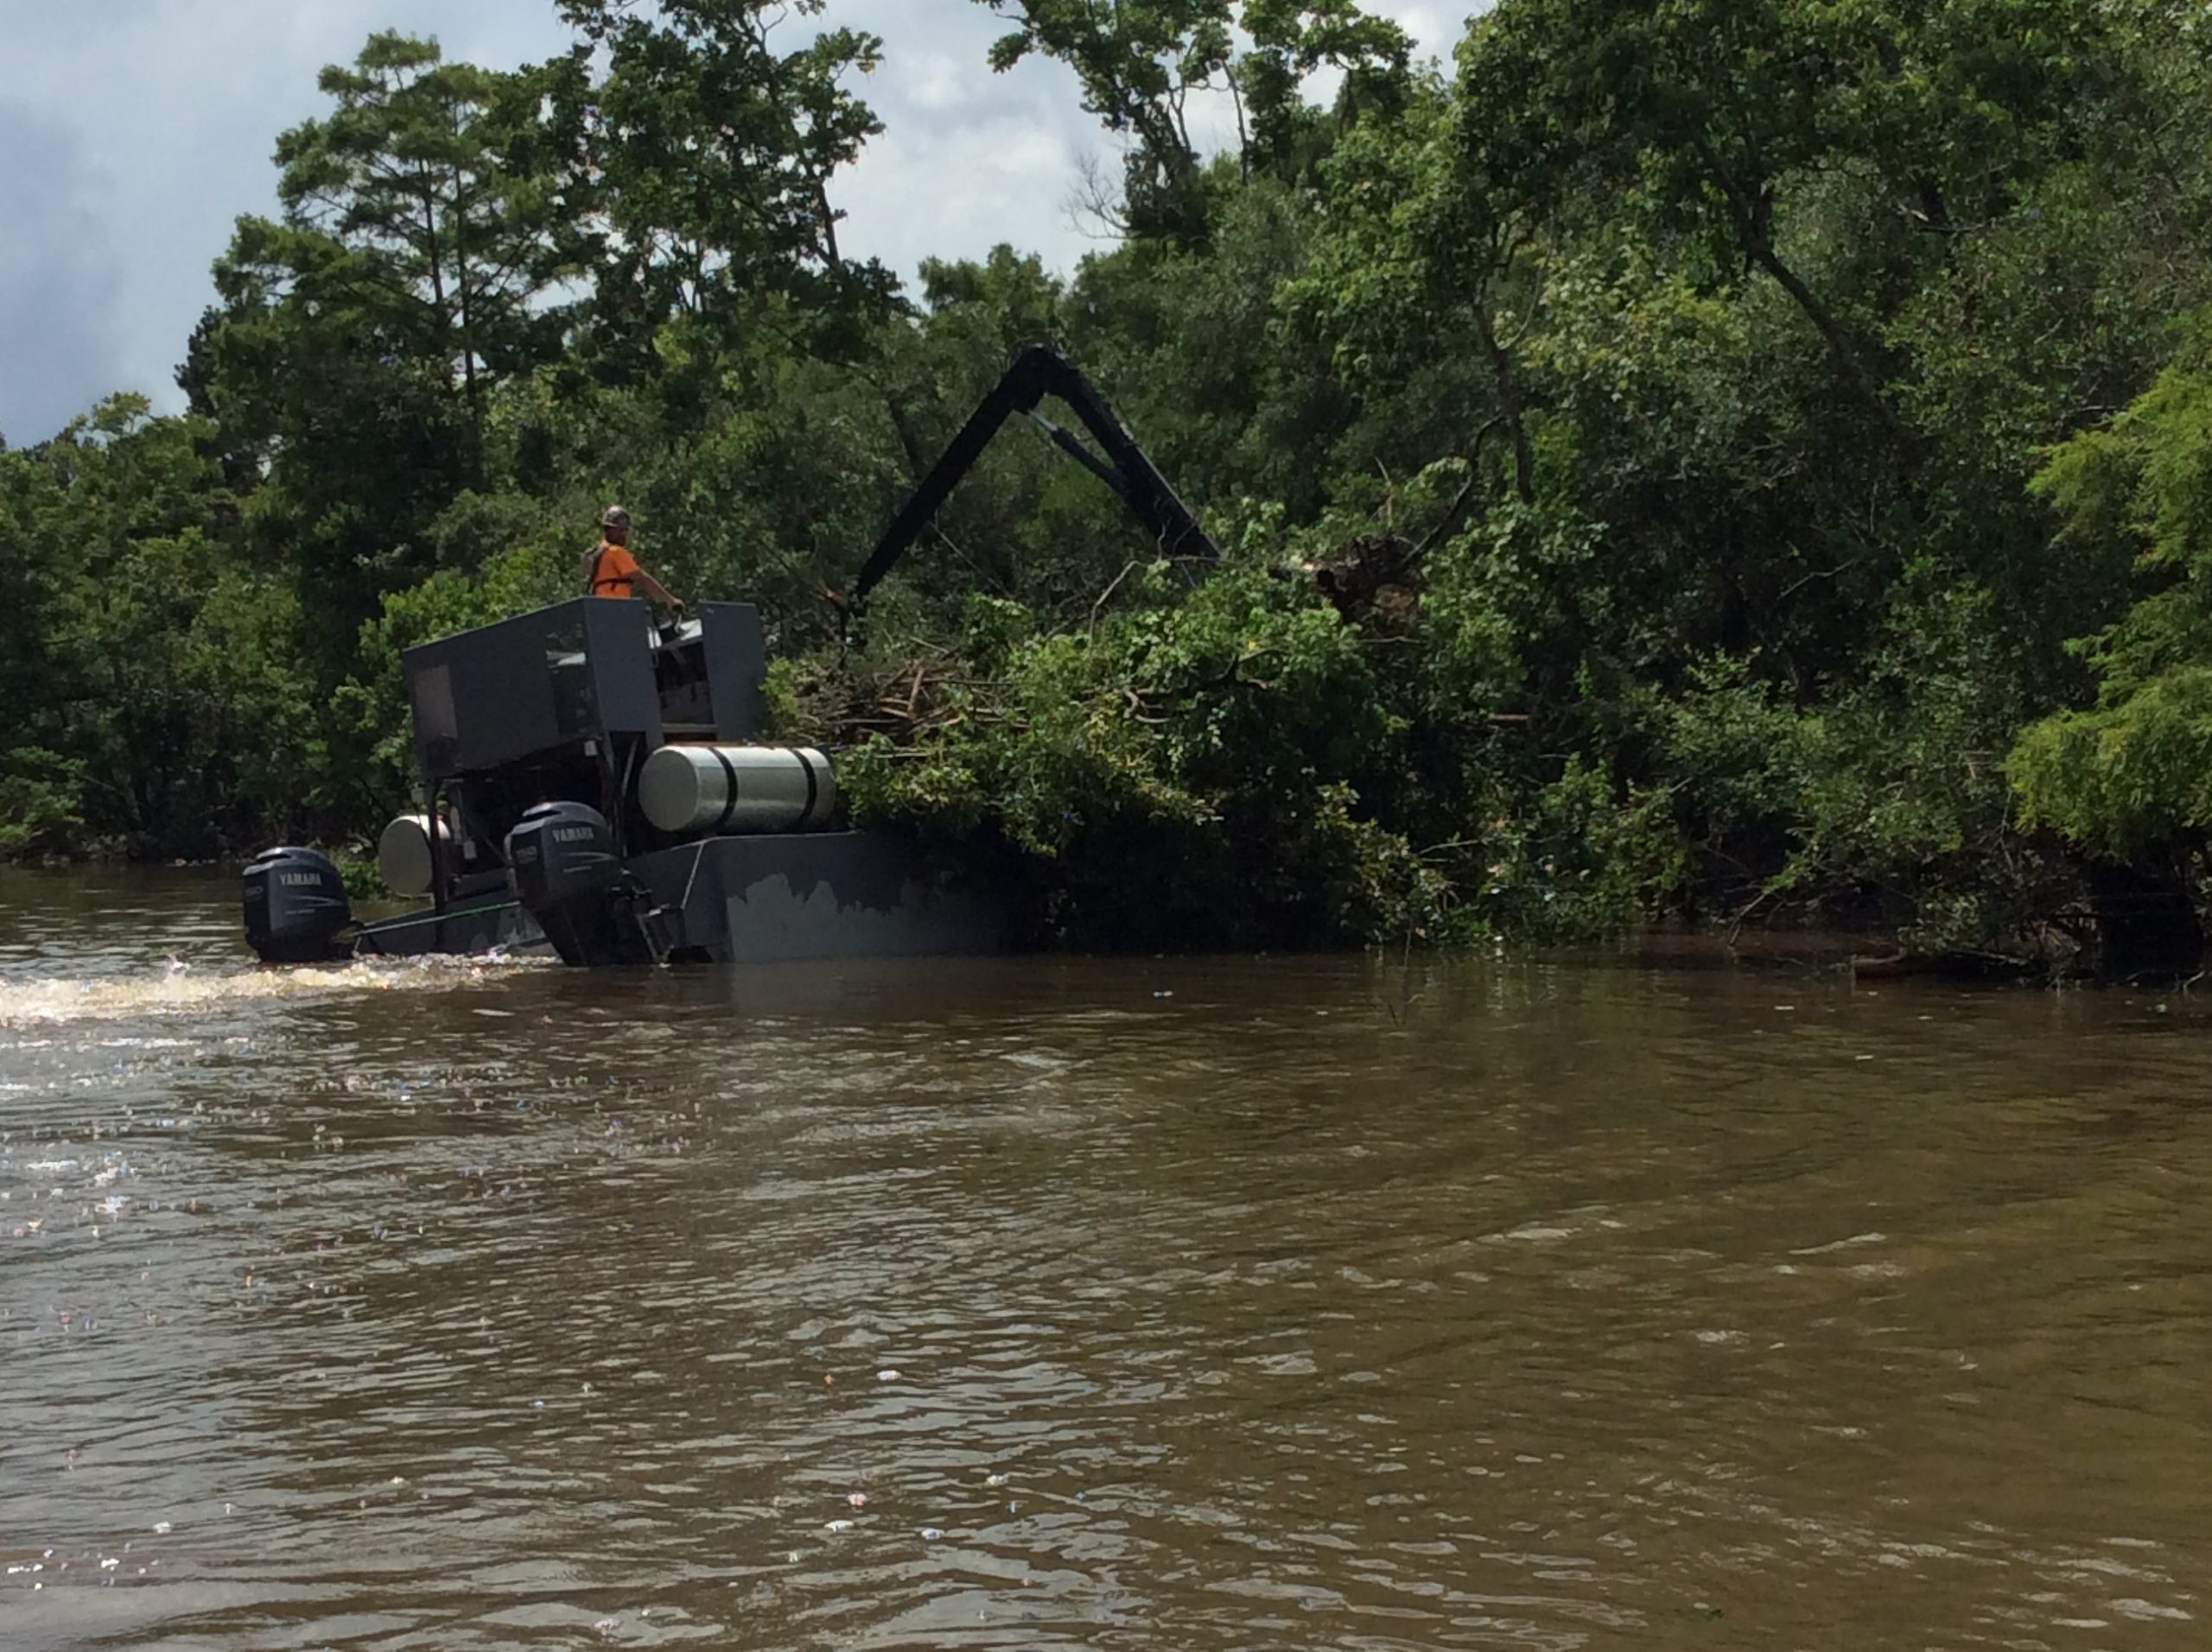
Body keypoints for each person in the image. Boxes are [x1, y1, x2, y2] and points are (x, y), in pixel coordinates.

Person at [581, 505, 682, 613]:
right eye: (620, 530)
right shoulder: (615, 551)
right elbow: (642, 579)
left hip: (600, 610)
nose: (623, 534)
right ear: (608, 530)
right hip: (616, 610)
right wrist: (670, 600)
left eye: (625, 530)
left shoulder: (598, 553)